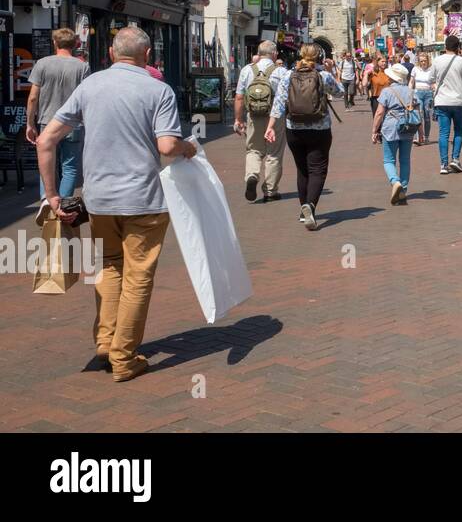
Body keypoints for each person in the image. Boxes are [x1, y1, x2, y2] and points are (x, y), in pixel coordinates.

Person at [35, 25, 196, 382]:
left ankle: (106, 342)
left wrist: (52, 195)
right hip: (144, 201)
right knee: (138, 276)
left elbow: (45, 141)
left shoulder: (89, 86)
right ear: (148, 56)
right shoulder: (159, 90)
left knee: (110, 267)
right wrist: (189, 147)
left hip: (100, 201)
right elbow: (168, 147)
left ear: (110, 54)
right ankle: (124, 358)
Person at [266, 43, 344, 230]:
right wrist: (332, 70)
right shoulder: (323, 76)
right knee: (317, 169)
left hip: (294, 128)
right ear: (319, 57)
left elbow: (278, 104)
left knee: (302, 170)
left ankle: (304, 211)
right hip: (319, 128)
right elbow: (340, 92)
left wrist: (270, 127)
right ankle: (310, 205)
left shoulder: (288, 75)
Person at [25, 27, 89, 199]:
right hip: (73, 124)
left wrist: (30, 124)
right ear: (75, 44)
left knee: (47, 164)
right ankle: (64, 205)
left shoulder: (42, 64)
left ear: (55, 43)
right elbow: (86, 98)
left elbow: (32, 97)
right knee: (70, 167)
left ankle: (47, 202)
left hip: (47, 122)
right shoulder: (82, 67)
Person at [233, 40, 290, 203]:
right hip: (276, 116)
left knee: (253, 150)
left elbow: (239, 97)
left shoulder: (246, 70)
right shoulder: (281, 72)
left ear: (258, 52)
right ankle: (270, 191)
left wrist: (238, 119)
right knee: (274, 153)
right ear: (274, 54)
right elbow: (287, 97)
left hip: (254, 116)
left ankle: (252, 175)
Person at [372, 62, 422, 205]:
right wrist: (421, 132)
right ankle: (403, 189)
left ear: (392, 78)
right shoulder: (411, 92)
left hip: (390, 128)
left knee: (389, 160)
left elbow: (379, 113)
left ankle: (395, 182)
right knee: (405, 160)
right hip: (408, 128)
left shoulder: (387, 92)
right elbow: (418, 112)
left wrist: (374, 130)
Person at [429, 34, 462, 175]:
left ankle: (443, 164)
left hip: (442, 101)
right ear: (458, 47)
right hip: (458, 101)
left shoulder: (437, 60)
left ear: (445, 46)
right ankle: (455, 159)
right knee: (459, 131)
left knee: (443, 133)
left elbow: (431, 78)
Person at [411, 52, 436, 140]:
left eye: (425, 61)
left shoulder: (431, 69)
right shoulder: (415, 69)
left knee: (427, 116)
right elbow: (411, 82)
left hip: (428, 93)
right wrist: (409, 93)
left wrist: (434, 88)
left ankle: (427, 137)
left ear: (428, 61)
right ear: (418, 61)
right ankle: (419, 136)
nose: (423, 63)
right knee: (419, 114)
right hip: (418, 93)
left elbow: (433, 82)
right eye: (421, 61)